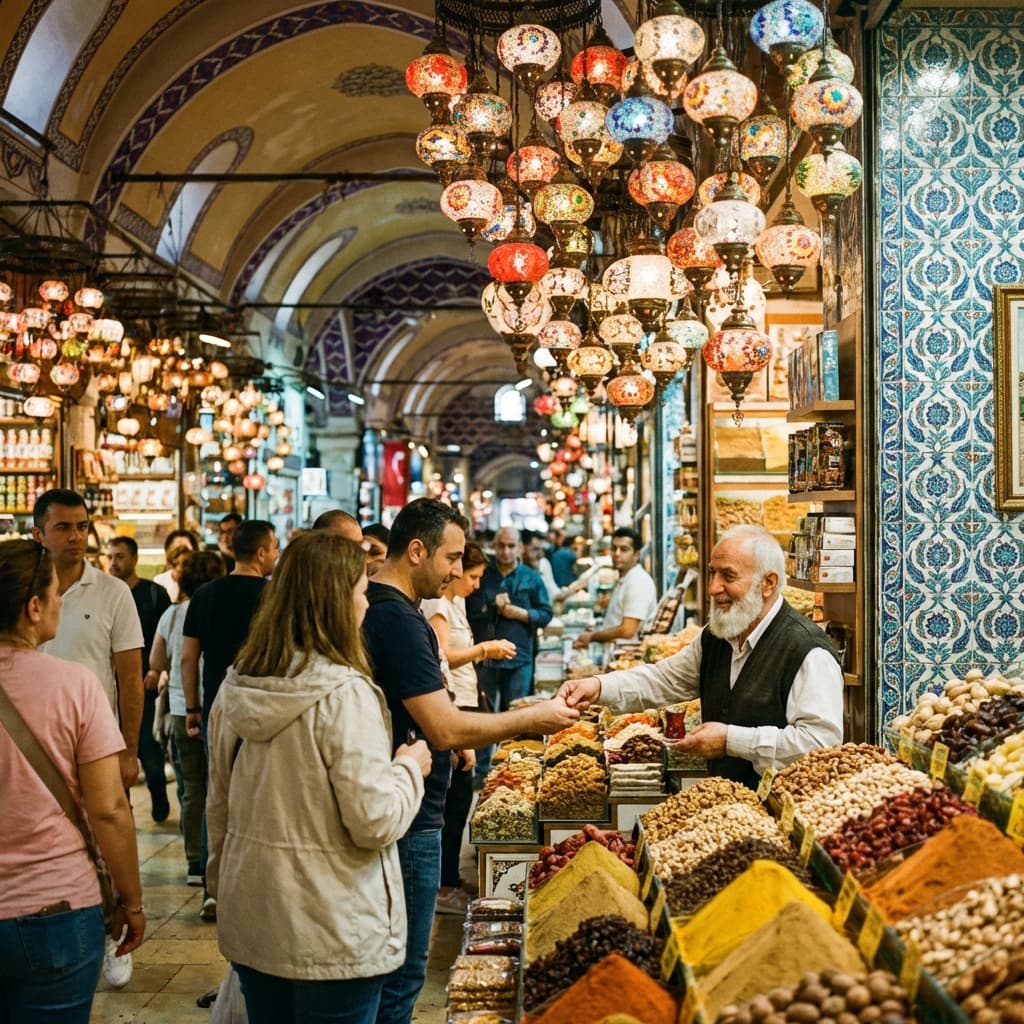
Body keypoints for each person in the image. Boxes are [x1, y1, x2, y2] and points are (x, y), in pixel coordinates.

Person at [362, 498, 577, 1024]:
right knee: (403, 972)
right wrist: (530, 720)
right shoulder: (399, 619)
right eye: (453, 558)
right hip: (411, 819)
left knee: (398, 967)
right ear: (417, 550)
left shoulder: (395, 609)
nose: (460, 570)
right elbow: (444, 725)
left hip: (409, 804)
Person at [205, 531, 432, 1024]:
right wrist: (410, 768)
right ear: (333, 602)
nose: (367, 603)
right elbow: (373, 820)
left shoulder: (235, 685)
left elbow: (217, 807)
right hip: (334, 929)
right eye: (360, 591)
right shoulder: (344, 696)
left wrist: (223, 887)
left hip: (255, 918)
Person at [558, 525, 844, 790]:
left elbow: (820, 744)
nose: (713, 588)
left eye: (728, 576)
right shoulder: (719, 636)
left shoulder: (807, 650)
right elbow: (664, 679)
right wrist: (598, 686)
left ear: (768, 583)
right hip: (732, 807)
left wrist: (731, 741)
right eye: (712, 573)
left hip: (784, 814)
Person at [0, 539, 146, 1022]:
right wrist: (132, 900)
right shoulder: (74, 686)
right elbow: (108, 809)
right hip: (56, 907)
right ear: (34, 607)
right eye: (56, 594)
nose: (62, 603)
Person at [182, 519, 279, 920]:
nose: (276, 555)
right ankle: (255, 884)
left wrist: (192, 708)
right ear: (260, 552)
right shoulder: (274, 594)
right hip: (266, 710)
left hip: (218, 708)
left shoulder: (204, 595)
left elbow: (189, 657)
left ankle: (213, 887)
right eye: (273, 548)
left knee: (215, 794)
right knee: (260, 793)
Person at [421, 541, 515, 915]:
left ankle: (448, 881)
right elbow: (441, 662)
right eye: (470, 574)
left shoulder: (455, 604)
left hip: (462, 701)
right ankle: (443, 885)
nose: (473, 584)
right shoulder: (437, 606)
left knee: (459, 799)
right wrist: (484, 650)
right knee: (452, 799)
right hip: (450, 707)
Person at [149, 551, 226, 887]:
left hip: (182, 708)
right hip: (216, 705)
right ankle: (217, 860)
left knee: (192, 788)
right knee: (220, 787)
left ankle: (195, 860)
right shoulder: (217, 607)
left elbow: (157, 659)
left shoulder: (171, 614)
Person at [108, 536, 173, 823]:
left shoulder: (154, 594)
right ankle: (125, 809)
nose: (113, 563)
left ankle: (158, 797)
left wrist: (156, 669)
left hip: (145, 683)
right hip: (111, 683)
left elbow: (167, 636)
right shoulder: (105, 594)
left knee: (147, 747)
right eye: (110, 557)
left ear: (134, 559)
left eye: (120, 556)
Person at [573, 527, 658, 650]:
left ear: (636, 555)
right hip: (615, 656)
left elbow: (627, 630)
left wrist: (593, 637)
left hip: (626, 659)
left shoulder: (637, 581)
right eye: (614, 549)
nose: (617, 554)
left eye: (624, 549)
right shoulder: (626, 578)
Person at [153, 529, 199, 601]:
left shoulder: (200, 579)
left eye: (186, 550)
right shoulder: (160, 580)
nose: (181, 557)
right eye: (177, 550)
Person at [521, 530, 559, 602]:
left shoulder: (543, 563)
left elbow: (553, 592)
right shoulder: (514, 570)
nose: (541, 554)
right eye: (535, 549)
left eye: (542, 549)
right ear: (521, 548)